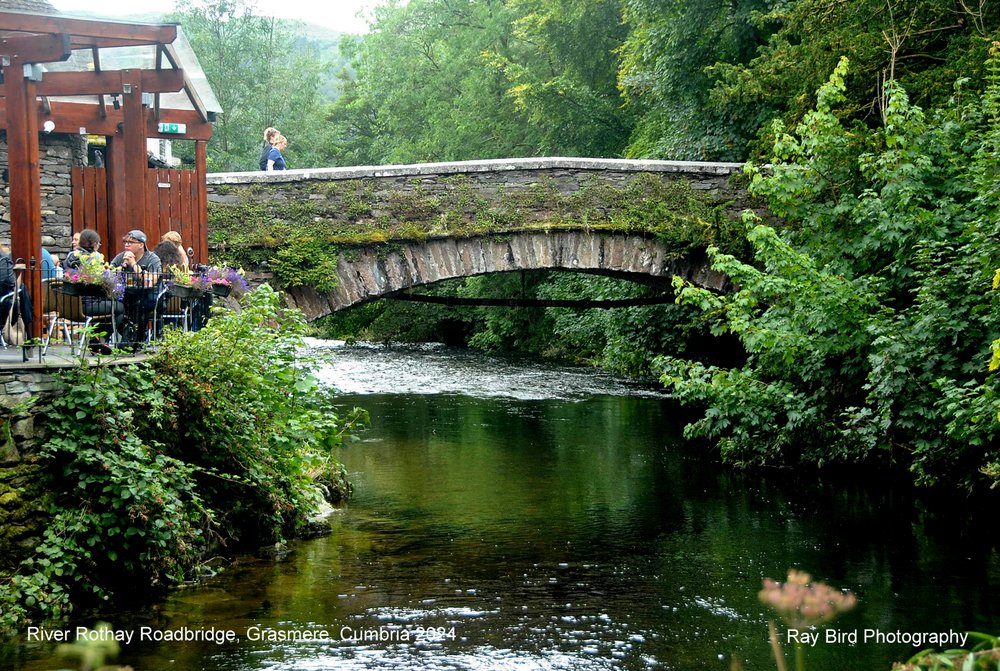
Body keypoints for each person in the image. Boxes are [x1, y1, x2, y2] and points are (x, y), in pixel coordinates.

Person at [63, 229, 121, 355]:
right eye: (98, 243)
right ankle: (99, 339)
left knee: (110, 306)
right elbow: (99, 281)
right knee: (120, 307)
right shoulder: (92, 260)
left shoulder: (70, 258)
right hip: (88, 305)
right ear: (94, 244)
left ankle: (97, 340)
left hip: (69, 307)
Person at [111, 230, 162, 347]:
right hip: (127, 296)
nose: (126, 245)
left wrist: (133, 264)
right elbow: (109, 273)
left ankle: (133, 340)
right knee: (114, 306)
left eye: (131, 242)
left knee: (139, 307)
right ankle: (127, 338)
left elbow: (149, 282)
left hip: (148, 297)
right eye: (125, 242)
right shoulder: (120, 257)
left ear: (141, 245)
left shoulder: (152, 259)